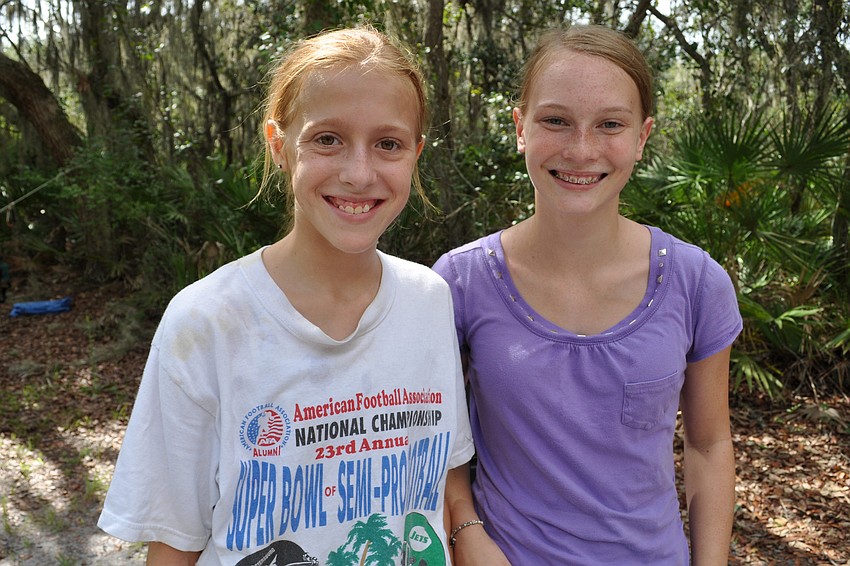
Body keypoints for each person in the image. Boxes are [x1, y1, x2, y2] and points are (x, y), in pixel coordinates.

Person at [98, 26, 474, 566]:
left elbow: (444, 471)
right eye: (327, 139)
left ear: (414, 154)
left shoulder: (429, 300)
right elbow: (173, 541)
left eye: (387, 144)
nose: (358, 171)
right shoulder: (206, 320)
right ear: (280, 146)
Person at [436, 25, 742, 565]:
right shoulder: (460, 283)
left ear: (642, 137)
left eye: (610, 125)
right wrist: (468, 535)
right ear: (520, 128)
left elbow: (709, 444)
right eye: (556, 120)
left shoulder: (697, 282)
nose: (581, 149)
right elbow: (438, 443)